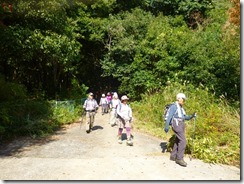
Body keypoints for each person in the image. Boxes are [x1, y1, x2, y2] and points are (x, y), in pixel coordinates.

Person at [164, 93, 196, 167]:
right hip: (176, 125)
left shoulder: (180, 108)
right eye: (183, 99)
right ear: (179, 98)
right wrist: (166, 126)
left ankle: (173, 156)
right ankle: (179, 158)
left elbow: (184, 117)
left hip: (181, 124)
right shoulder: (174, 107)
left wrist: (192, 116)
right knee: (183, 141)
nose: (184, 101)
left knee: (178, 140)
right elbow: (169, 117)